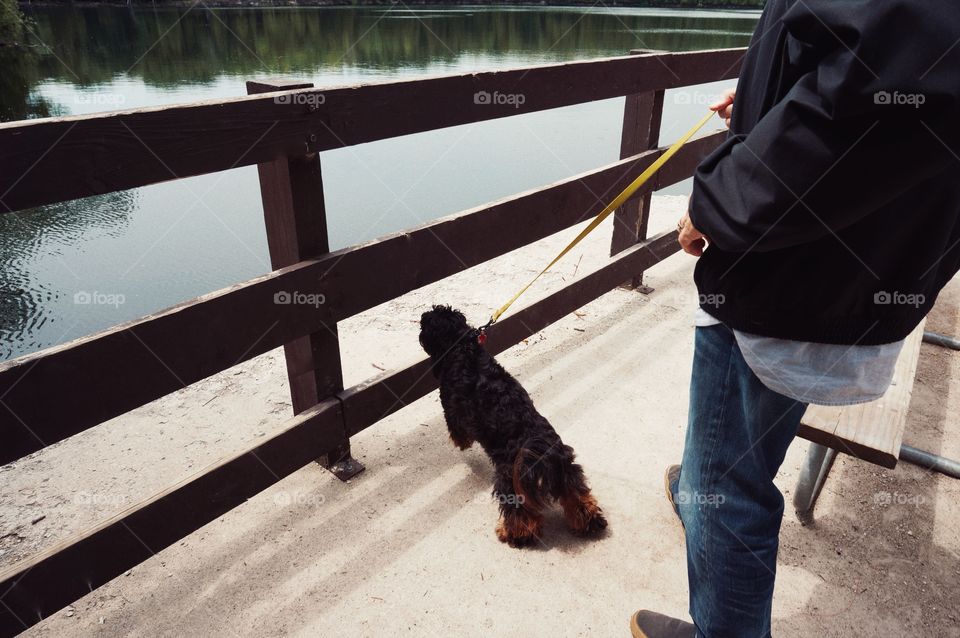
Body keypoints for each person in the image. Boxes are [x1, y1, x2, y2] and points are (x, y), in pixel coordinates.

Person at [630, 1, 960, 636]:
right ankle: (710, 493)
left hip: (798, 274)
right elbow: (855, 65)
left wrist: (721, 201)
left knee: (728, 488)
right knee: (742, 450)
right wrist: (762, 101)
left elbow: (881, 92)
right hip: (852, 266)